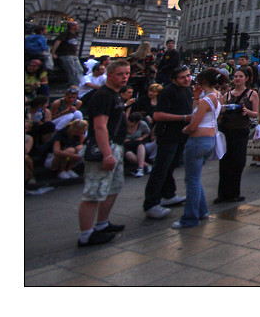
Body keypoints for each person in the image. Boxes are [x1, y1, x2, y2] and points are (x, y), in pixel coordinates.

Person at [77, 60, 131, 247]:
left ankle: (101, 224)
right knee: (94, 192)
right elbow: (100, 126)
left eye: (127, 73)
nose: (124, 77)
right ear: (109, 75)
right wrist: (107, 153)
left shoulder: (116, 95)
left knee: (113, 187)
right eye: (120, 74)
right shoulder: (103, 95)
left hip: (116, 146)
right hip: (103, 147)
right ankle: (85, 235)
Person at [143, 65, 194, 220]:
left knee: (171, 166)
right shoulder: (168, 92)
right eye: (182, 77)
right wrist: (183, 118)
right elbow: (157, 115)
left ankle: (168, 194)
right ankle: (151, 203)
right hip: (168, 135)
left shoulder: (188, 89)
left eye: (188, 75)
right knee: (161, 168)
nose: (187, 79)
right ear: (174, 79)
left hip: (181, 134)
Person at [173, 68, 223, 229]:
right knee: (194, 178)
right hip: (210, 140)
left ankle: (190, 217)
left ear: (202, 82)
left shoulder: (206, 100)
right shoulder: (217, 96)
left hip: (197, 141)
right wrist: (195, 96)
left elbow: (193, 124)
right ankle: (202, 211)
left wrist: (184, 130)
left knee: (191, 181)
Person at [216, 68, 259, 203]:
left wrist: (247, 111)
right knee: (225, 162)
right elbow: (220, 111)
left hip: (241, 131)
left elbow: (256, 113)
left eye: (240, 76)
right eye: (235, 76)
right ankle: (222, 194)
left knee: (238, 162)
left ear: (246, 78)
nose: (237, 79)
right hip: (226, 130)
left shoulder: (252, 94)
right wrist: (223, 109)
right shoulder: (227, 95)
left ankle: (235, 192)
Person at [123, 112, 156, 177]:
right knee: (129, 154)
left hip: (137, 143)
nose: (130, 124)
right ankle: (146, 165)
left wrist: (142, 138)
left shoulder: (142, 124)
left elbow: (148, 132)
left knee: (140, 145)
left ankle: (140, 168)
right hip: (127, 145)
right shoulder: (123, 125)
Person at [52, 21, 83, 89]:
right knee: (72, 70)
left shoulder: (75, 34)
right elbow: (57, 42)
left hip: (73, 55)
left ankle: (81, 84)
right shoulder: (65, 34)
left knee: (80, 70)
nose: (78, 26)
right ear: (72, 27)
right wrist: (53, 53)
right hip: (66, 54)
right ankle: (74, 85)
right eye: (77, 25)